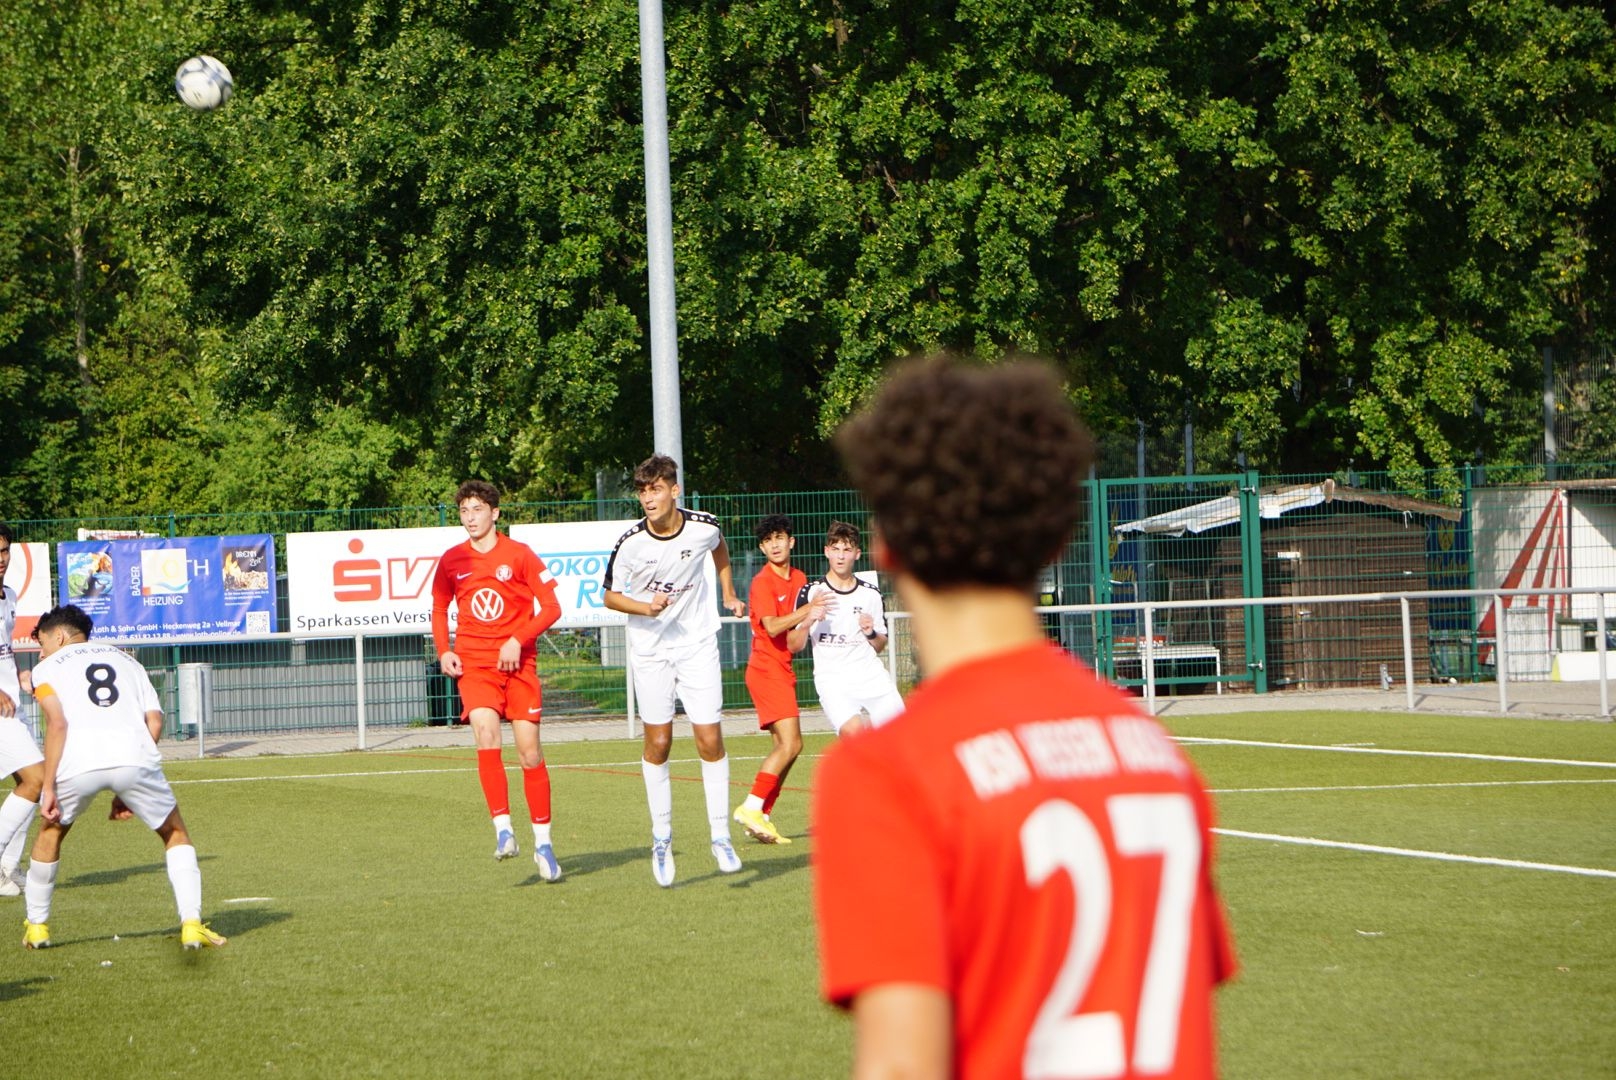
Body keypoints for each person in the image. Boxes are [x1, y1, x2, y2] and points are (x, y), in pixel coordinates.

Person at [812, 356, 1237, 1078]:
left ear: (886, 545)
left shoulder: (889, 772)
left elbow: (902, 1065)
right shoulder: (1154, 752)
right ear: (1055, 538)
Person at [21, 604, 227, 950]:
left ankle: (37, 927)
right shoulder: (128, 661)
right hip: (135, 756)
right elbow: (155, 721)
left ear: (59, 637)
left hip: (78, 762)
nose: (41, 652)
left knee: (50, 833)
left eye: (42, 643)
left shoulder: (45, 669)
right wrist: (129, 781)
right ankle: (191, 924)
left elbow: (57, 723)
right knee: (175, 833)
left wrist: (50, 784)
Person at [602, 454, 747, 886]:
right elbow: (609, 596)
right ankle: (662, 837)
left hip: (697, 643)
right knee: (659, 743)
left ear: (674, 490)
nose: (648, 498)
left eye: (656, 489)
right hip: (651, 650)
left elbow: (719, 549)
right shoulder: (630, 543)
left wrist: (727, 592)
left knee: (709, 739)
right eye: (643, 491)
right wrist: (645, 607)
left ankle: (720, 836)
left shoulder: (704, 526)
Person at [432, 480, 565, 880]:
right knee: (485, 733)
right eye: (464, 511)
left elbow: (552, 607)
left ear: (495, 513)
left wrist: (517, 639)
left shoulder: (520, 555)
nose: (469, 518)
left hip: (519, 666)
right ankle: (504, 830)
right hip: (475, 664)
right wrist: (444, 650)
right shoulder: (452, 559)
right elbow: (439, 608)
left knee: (529, 754)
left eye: (477, 510)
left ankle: (544, 844)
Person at [733, 515, 828, 845]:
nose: (774, 545)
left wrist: (810, 620)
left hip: (782, 667)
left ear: (791, 542)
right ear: (762, 548)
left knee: (787, 747)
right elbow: (772, 626)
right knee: (792, 744)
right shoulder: (762, 583)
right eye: (768, 540)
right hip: (765, 670)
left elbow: (794, 639)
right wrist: (807, 611)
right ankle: (752, 807)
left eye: (779, 538)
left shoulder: (800, 578)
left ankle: (761, 815)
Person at [787, 520, 903, 738]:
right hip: (833, 681)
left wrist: (870, 632)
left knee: (903, 735)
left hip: (871, 678)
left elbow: (880, 644)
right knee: (855, 735)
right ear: (827, 552)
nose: (840, 556)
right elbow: (793, 645)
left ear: (857, 554)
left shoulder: (870, 594)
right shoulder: (811, 592)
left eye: (847, 550)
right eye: (836, 549)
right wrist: (807, 621)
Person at [0, 523, 46, 898]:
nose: (0, 559)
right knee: (36, 778)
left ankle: (7, 867)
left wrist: (18, 677)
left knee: (32, 785)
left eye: (3, 551)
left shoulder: (9, 595)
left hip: (13, 702)